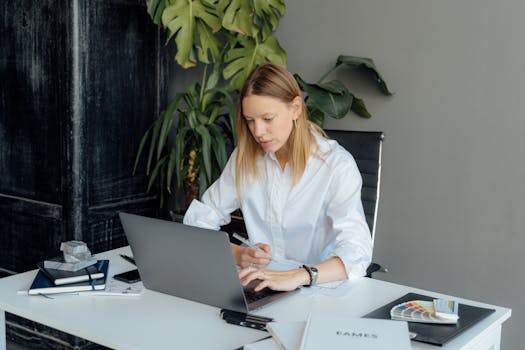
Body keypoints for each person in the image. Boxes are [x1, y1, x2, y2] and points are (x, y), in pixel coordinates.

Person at [183, 62, 372, 292]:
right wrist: (238, 254)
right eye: (250, 121)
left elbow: (356, 251)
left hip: (317, 289)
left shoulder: (336, 166)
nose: (258, 131)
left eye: (268, 118)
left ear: (295, 109)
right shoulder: (245, 158)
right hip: (258, 286)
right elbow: (200, 219)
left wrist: (297, 276)